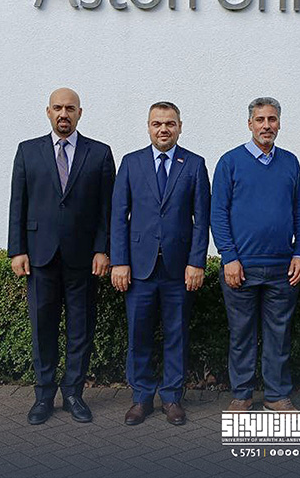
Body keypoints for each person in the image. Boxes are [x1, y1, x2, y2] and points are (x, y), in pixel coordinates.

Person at [7, 87, 115, 425]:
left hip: (83, 258)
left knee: (80, 329)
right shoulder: (28, 151)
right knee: (43, 329)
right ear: (48, 112)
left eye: (70, 108)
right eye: (57, 108)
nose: (63, 114)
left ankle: (73, 394)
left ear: (80, 113)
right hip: (40, 256)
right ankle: (43, 396)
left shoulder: (100, 153)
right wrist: (17, 250)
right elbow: (18, 203)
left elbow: (107, 209)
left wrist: (103, 249)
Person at [110, 101, 211, 426]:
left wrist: (196, 262)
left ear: (180, 127)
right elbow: (118, 216)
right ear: (149, 127)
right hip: (139, 269)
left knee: (176, 334)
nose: (163, 129)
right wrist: (119, 261)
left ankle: (171, 397)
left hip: (178, 270)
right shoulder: (131, 163)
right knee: (138, 334)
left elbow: (201, 219)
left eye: (169, 123)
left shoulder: (194, 164)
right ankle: (141, 398)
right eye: (157, 124)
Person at [210, 97, 300, 412]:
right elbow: (218, 213)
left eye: (272, 119)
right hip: (241, 267)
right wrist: (229, 257)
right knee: (241, 335)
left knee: (279, 336)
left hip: (282, 268)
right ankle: (241, 395)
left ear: (279, 123)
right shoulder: (230, 162)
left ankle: (276, 395)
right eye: (260, 120)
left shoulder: (290, 162)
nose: (267, 125)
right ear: (249, 123)